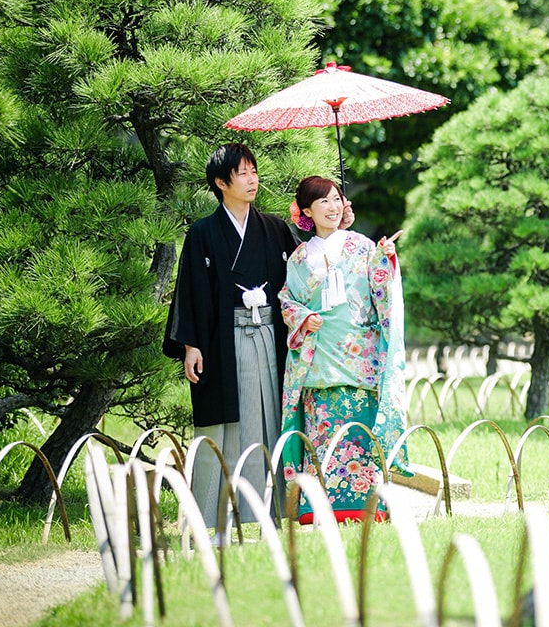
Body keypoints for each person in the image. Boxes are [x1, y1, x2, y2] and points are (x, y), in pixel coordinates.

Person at [162, 143, 302, 529]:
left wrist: (334, 228)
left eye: (254, 170)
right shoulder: (204, 233)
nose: (252, 178)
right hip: (225, 340)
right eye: (242, 173)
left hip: (271, 337)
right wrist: (191, 344)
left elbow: (305, 275)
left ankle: (273, 509)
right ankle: (213, 515)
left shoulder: (274, 229)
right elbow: (190, 292)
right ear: (222, 183)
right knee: (223, 423)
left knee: (271, 417)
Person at [279, 175, 412, 524]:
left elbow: (380, 290)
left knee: (360, 434)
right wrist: (304, 316)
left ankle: (368, 506)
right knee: (323, 434)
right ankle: (318, 508)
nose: (333, 207)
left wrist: (385, 260)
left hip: (359, 359)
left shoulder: (362, 246)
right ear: (306, 210)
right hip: (320, 360)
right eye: (323, 201)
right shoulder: (298, 258)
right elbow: (286, 299)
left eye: (337, 199)